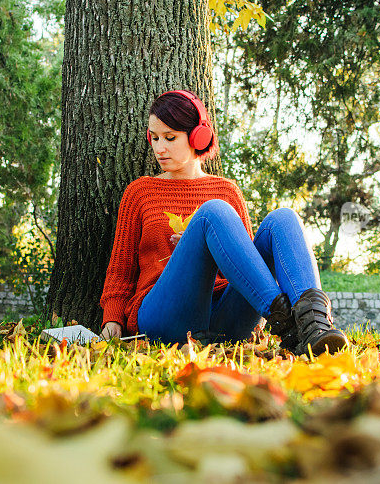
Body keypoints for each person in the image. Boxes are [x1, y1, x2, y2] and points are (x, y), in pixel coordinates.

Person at [99, 89, 348, 356]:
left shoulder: (227, 190)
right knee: (212, 213)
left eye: (170, 138)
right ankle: (287, 323)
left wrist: (214, 249)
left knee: (283, 219)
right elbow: (119, 272)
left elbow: (247, 266)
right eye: (155, 137)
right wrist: (111, 319)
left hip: (225, 320)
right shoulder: (140, 192)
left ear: (198, 137)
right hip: (165, 317)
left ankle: (315, 326)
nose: (160, 148)